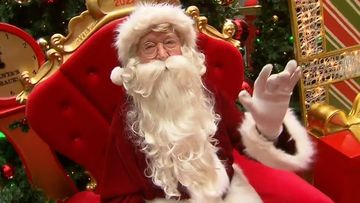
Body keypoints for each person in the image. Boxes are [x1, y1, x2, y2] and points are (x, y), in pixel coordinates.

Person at [105, 2, 334, 203]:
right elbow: (118, 195)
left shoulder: (206, 93)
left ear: (184, 49)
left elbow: (246, 141)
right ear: (135, 60)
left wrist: (270, 129)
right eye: (149, 46)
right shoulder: (129, 116)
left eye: (169, 42)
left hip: (229, 193)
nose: (163, 54)